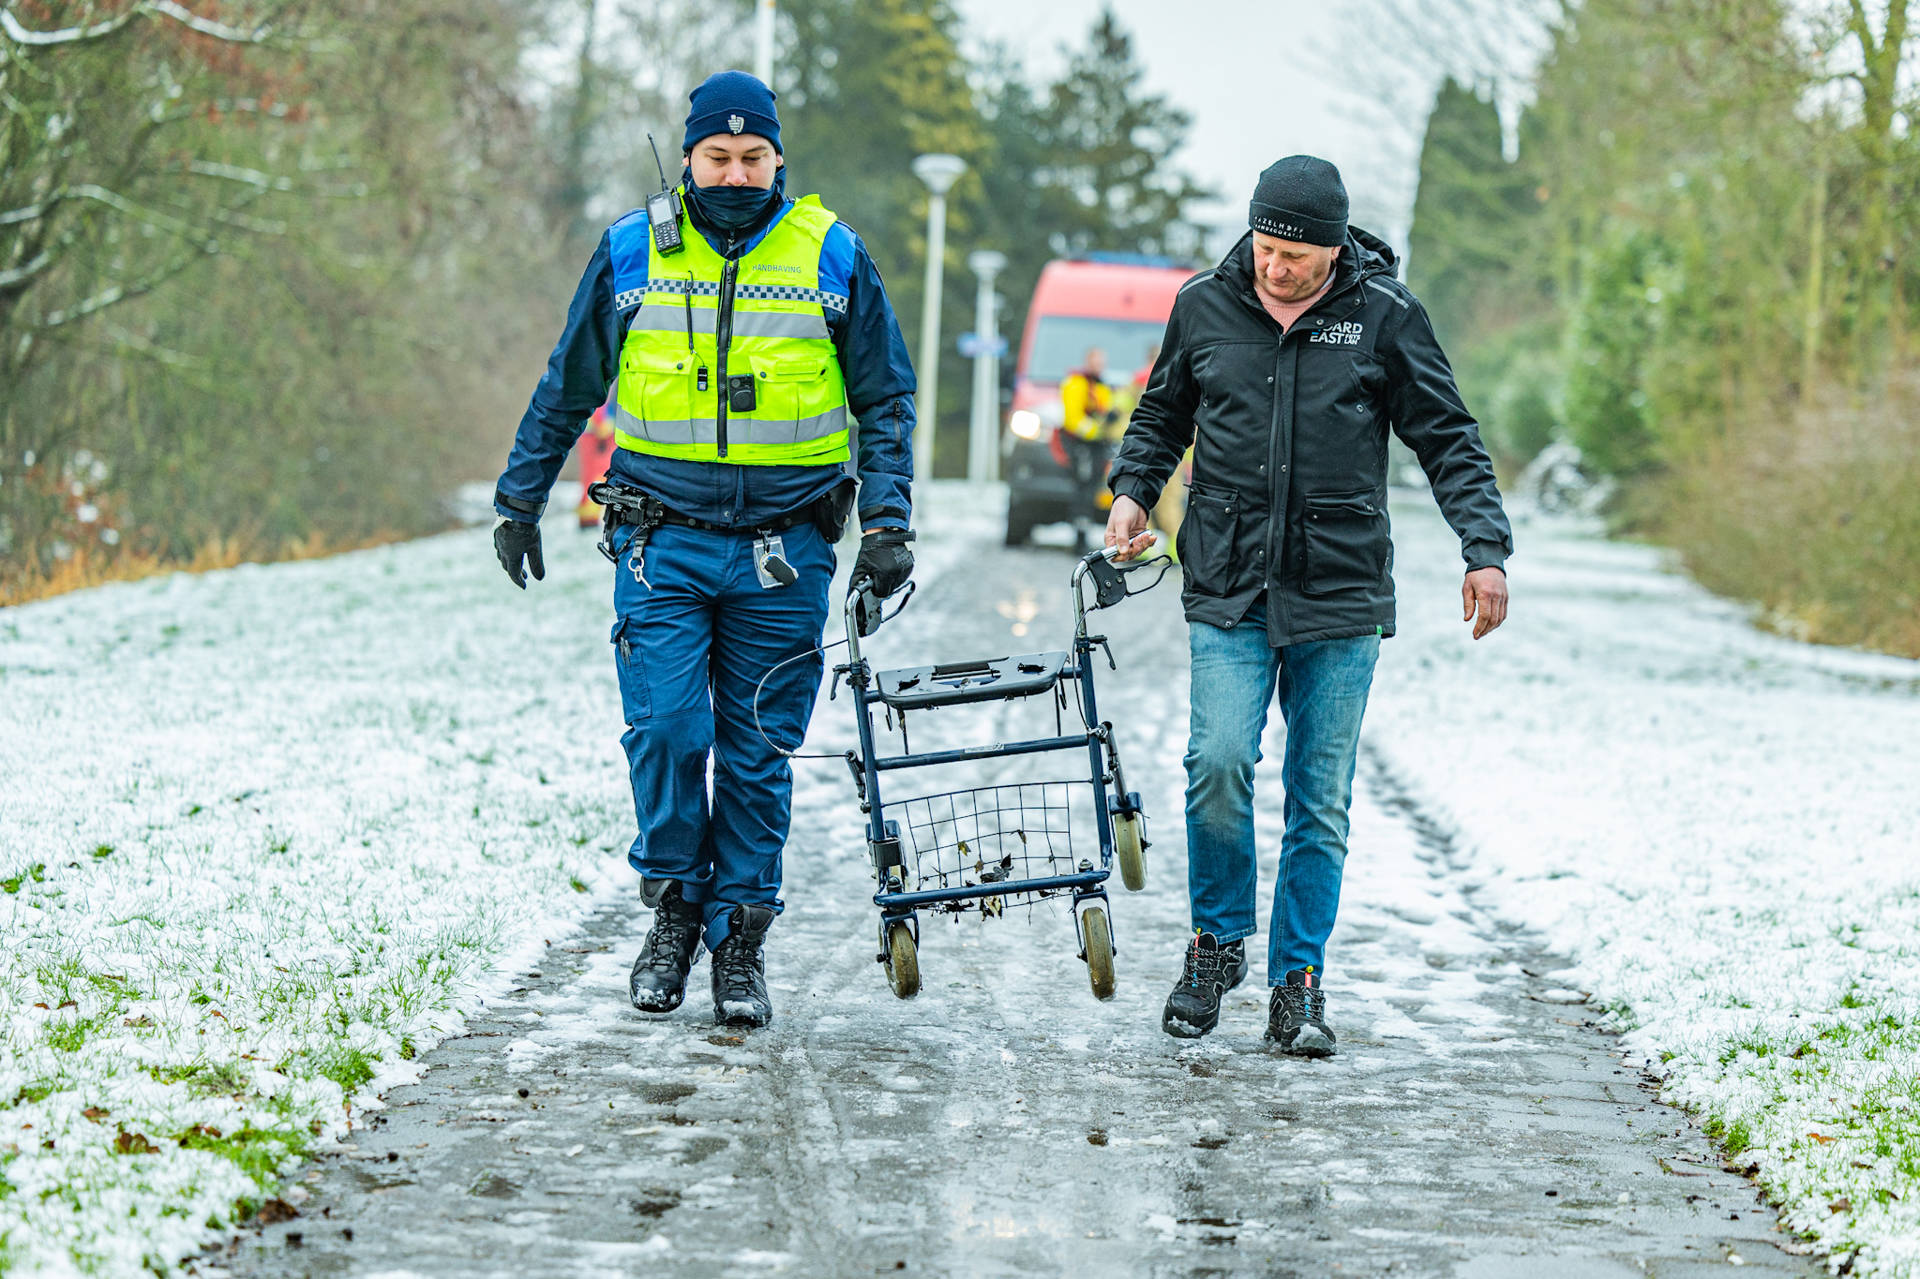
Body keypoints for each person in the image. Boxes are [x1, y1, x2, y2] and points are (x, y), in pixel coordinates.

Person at [491, 71, 917, 1029]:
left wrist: (887, 524)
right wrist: (522, 498)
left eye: (751, 158)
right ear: (687, 158)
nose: (733, 173)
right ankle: (676, 907)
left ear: (778, 161)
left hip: (786, 551)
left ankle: (740, 942)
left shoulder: (833, 255)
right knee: (671, 731)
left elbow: (885, 399)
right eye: (716, 158)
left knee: (758, 751)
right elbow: (571, 383)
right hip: (659, 541)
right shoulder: (633, 250)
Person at [1104, 155, 1512, 1057]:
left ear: (1333, 250)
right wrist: (1134, 491)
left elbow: (1448, 436)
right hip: (1229, 582)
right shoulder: (1204, 306)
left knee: (1318, 797)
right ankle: (1215, 946)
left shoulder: (1385, 317)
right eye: (1265, 246)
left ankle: (1298, 981)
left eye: (1296, 254)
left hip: (1340, 592)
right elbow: (1161, 416)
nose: (1276, 267)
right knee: (1215, 762)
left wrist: (1484, 550)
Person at [1058, 348, 1118, 544]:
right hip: (1080, 445)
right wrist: (1099, 430)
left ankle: (1085, 528)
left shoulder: (1102, 385)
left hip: (1098, 446)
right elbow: (1073, 420)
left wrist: (1110, 420)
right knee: (1082, 487)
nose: (1100, 366)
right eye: (1096, 362)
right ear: (1087, 362)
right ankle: (1079, 533)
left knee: (1092, 488)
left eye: (1102, 362)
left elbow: (1105, 409)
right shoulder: (1076, 383)